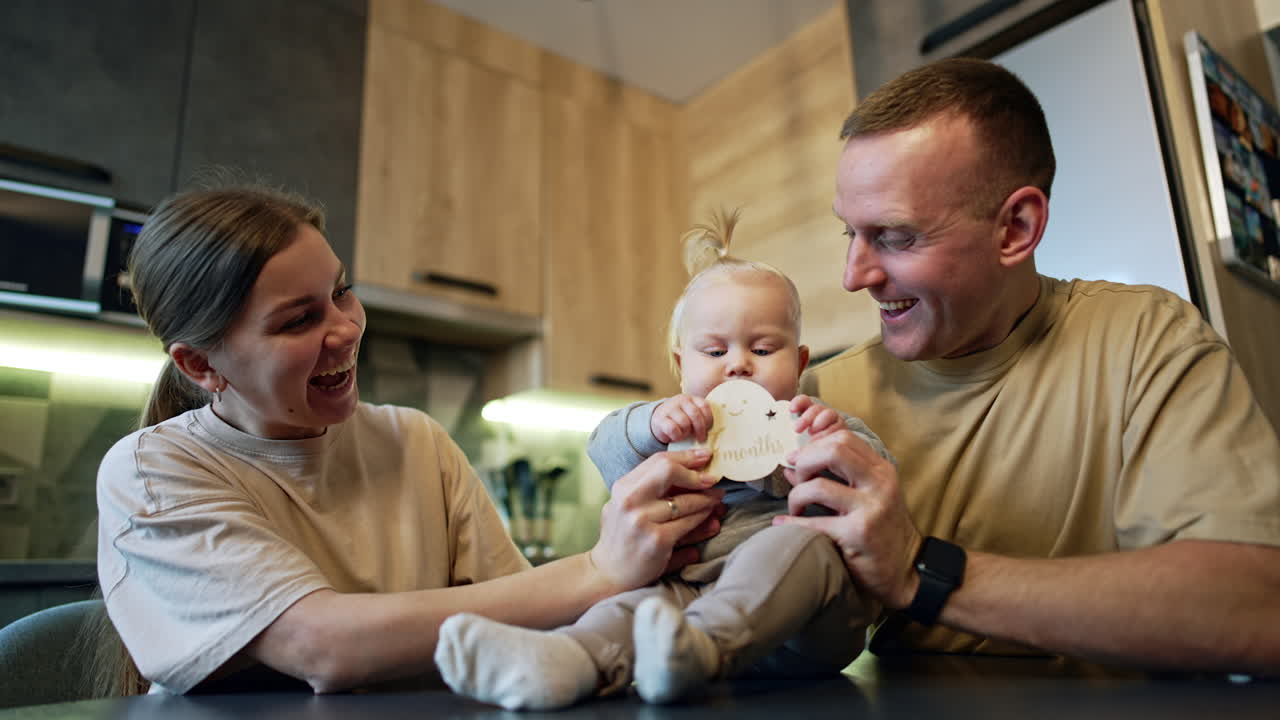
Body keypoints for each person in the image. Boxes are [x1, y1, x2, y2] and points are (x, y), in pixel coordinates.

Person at [93, 185, 726, 695]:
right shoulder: (152, 472)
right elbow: (320, 645)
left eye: (341, 292)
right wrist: (598, 568)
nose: (346, 328)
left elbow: (532, 620)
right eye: (299, 319)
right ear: (201, 364)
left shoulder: (415, 441)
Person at [776, 58, 1280, 674]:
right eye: (849, 233)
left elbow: (1255, 605)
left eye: (896, 236)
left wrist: (919, 570)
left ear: (1016, 228)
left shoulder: (1146, 342)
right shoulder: (818, 398)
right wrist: (657, 554)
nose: (854, 276)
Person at [432, 210, 894, 709]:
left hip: (807, 622)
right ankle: (565, 661)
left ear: (799, 364)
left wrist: (825, 451)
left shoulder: (817, 422)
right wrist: (649, 424)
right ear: (680, 365)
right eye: (713, 351)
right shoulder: (673, 428)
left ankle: (698, 651)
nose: (738, 364)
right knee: (632, 606)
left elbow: (879, 488)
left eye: (763, 349)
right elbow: (604, 446)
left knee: (800, 542)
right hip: (686, 599)